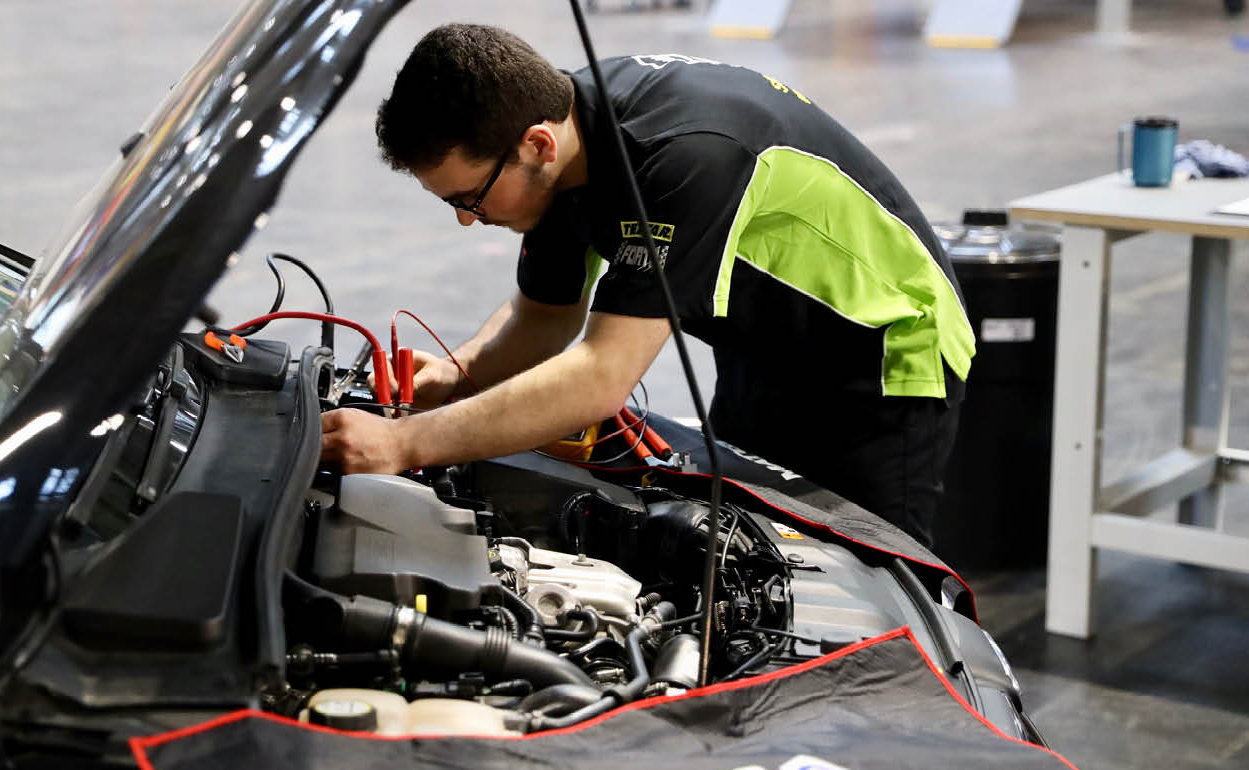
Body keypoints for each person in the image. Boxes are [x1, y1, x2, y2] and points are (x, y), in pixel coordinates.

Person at [319, 24, 975, 548]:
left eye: (470, 197)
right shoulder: (560, 153)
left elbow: (599, 376)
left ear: (537, 145)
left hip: (883, 358)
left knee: (878, 583)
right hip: (765, 350)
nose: (467, 219)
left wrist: (403, 444)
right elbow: (542, 320)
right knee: (759, 547)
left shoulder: (685, 154)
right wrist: (459, 373)